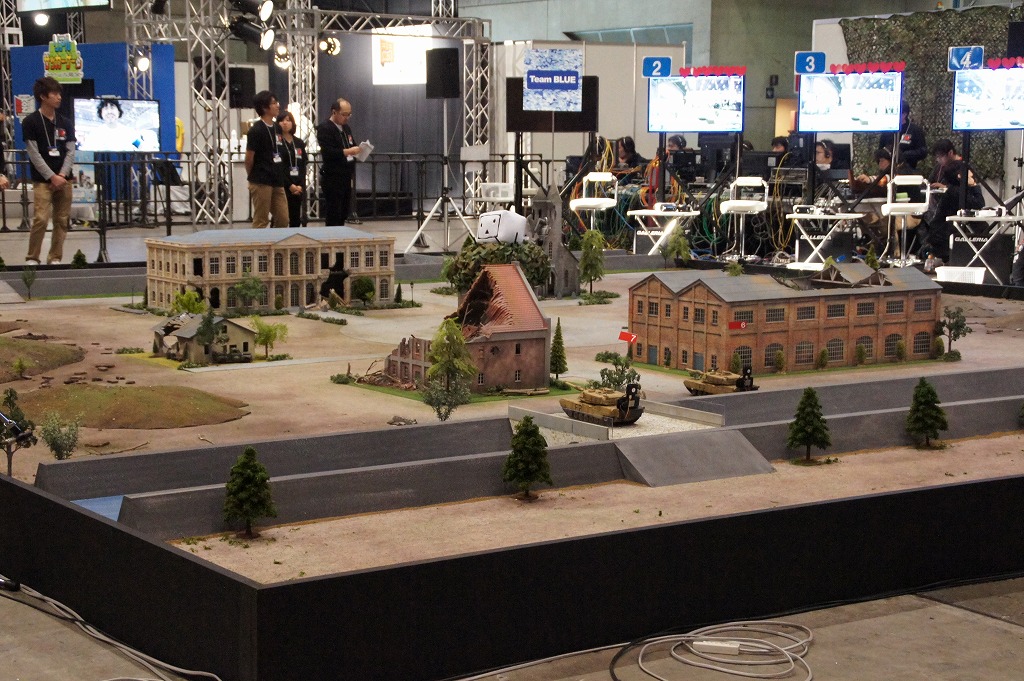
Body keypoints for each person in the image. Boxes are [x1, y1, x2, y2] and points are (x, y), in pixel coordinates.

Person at [22, 76, 75, 266]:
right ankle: (32, 257)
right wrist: (51, 176)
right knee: (41, 219)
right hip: (43, 181)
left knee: (62, 220)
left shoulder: (66, 122)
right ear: (43, 96)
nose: (59, 97)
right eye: (54, 93)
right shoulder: (30, 122)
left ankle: (55, 257)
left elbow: (70, 151)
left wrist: (62, 175)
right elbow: (34, 154)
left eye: (59, 93)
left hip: (64, 180)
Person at [921, 139, 983, 261]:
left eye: (940, 156)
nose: (939, 160)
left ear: (950, 153)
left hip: (944, 231)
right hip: (946, 236)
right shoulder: (956, 190)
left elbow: (978, 203)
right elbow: (979, 203)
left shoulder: (959, 173)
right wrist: (974, 186)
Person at [245, 90, 289, 229]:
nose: (277, 105)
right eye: (274, 103)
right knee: (261, 220)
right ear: (264, 108)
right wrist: (253, 177)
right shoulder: (256, 130)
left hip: (277, 180)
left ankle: (275, 242)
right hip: (261, 180)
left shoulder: (277, 128)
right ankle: (258, 243)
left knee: (283, 219)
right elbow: (249, 158)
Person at [316, 98, 360, 226]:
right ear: (334, 112)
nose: (346, 118)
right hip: (332, 176)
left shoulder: (346, 128)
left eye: (349, 114)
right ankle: (331, 235)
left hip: (346, 175)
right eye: (344, 114)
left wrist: (359, 150)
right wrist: (347, 151)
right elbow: (328, 151)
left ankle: (341, 234)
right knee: (334, 211)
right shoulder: (325, 127)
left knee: (344, 211)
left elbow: (352, 144)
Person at [879, 100, 927, 170]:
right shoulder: (887, 130)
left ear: (904, 114)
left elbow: (923, 151)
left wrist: (905, 155)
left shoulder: (915, 130)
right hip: (888, 169)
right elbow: (880, 150)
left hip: (908, 169)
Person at [278, 110, 307, 227]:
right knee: (281, 218)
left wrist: (300, 185)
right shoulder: (277, 143)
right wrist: (289, 185)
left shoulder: (299, 142)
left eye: (288, 120)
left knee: (295, 219)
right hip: (282, 185)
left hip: (297, 185)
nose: (285, 123)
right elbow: (278, 166)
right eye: (281, 120)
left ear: (292, 123)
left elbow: (303, 165)